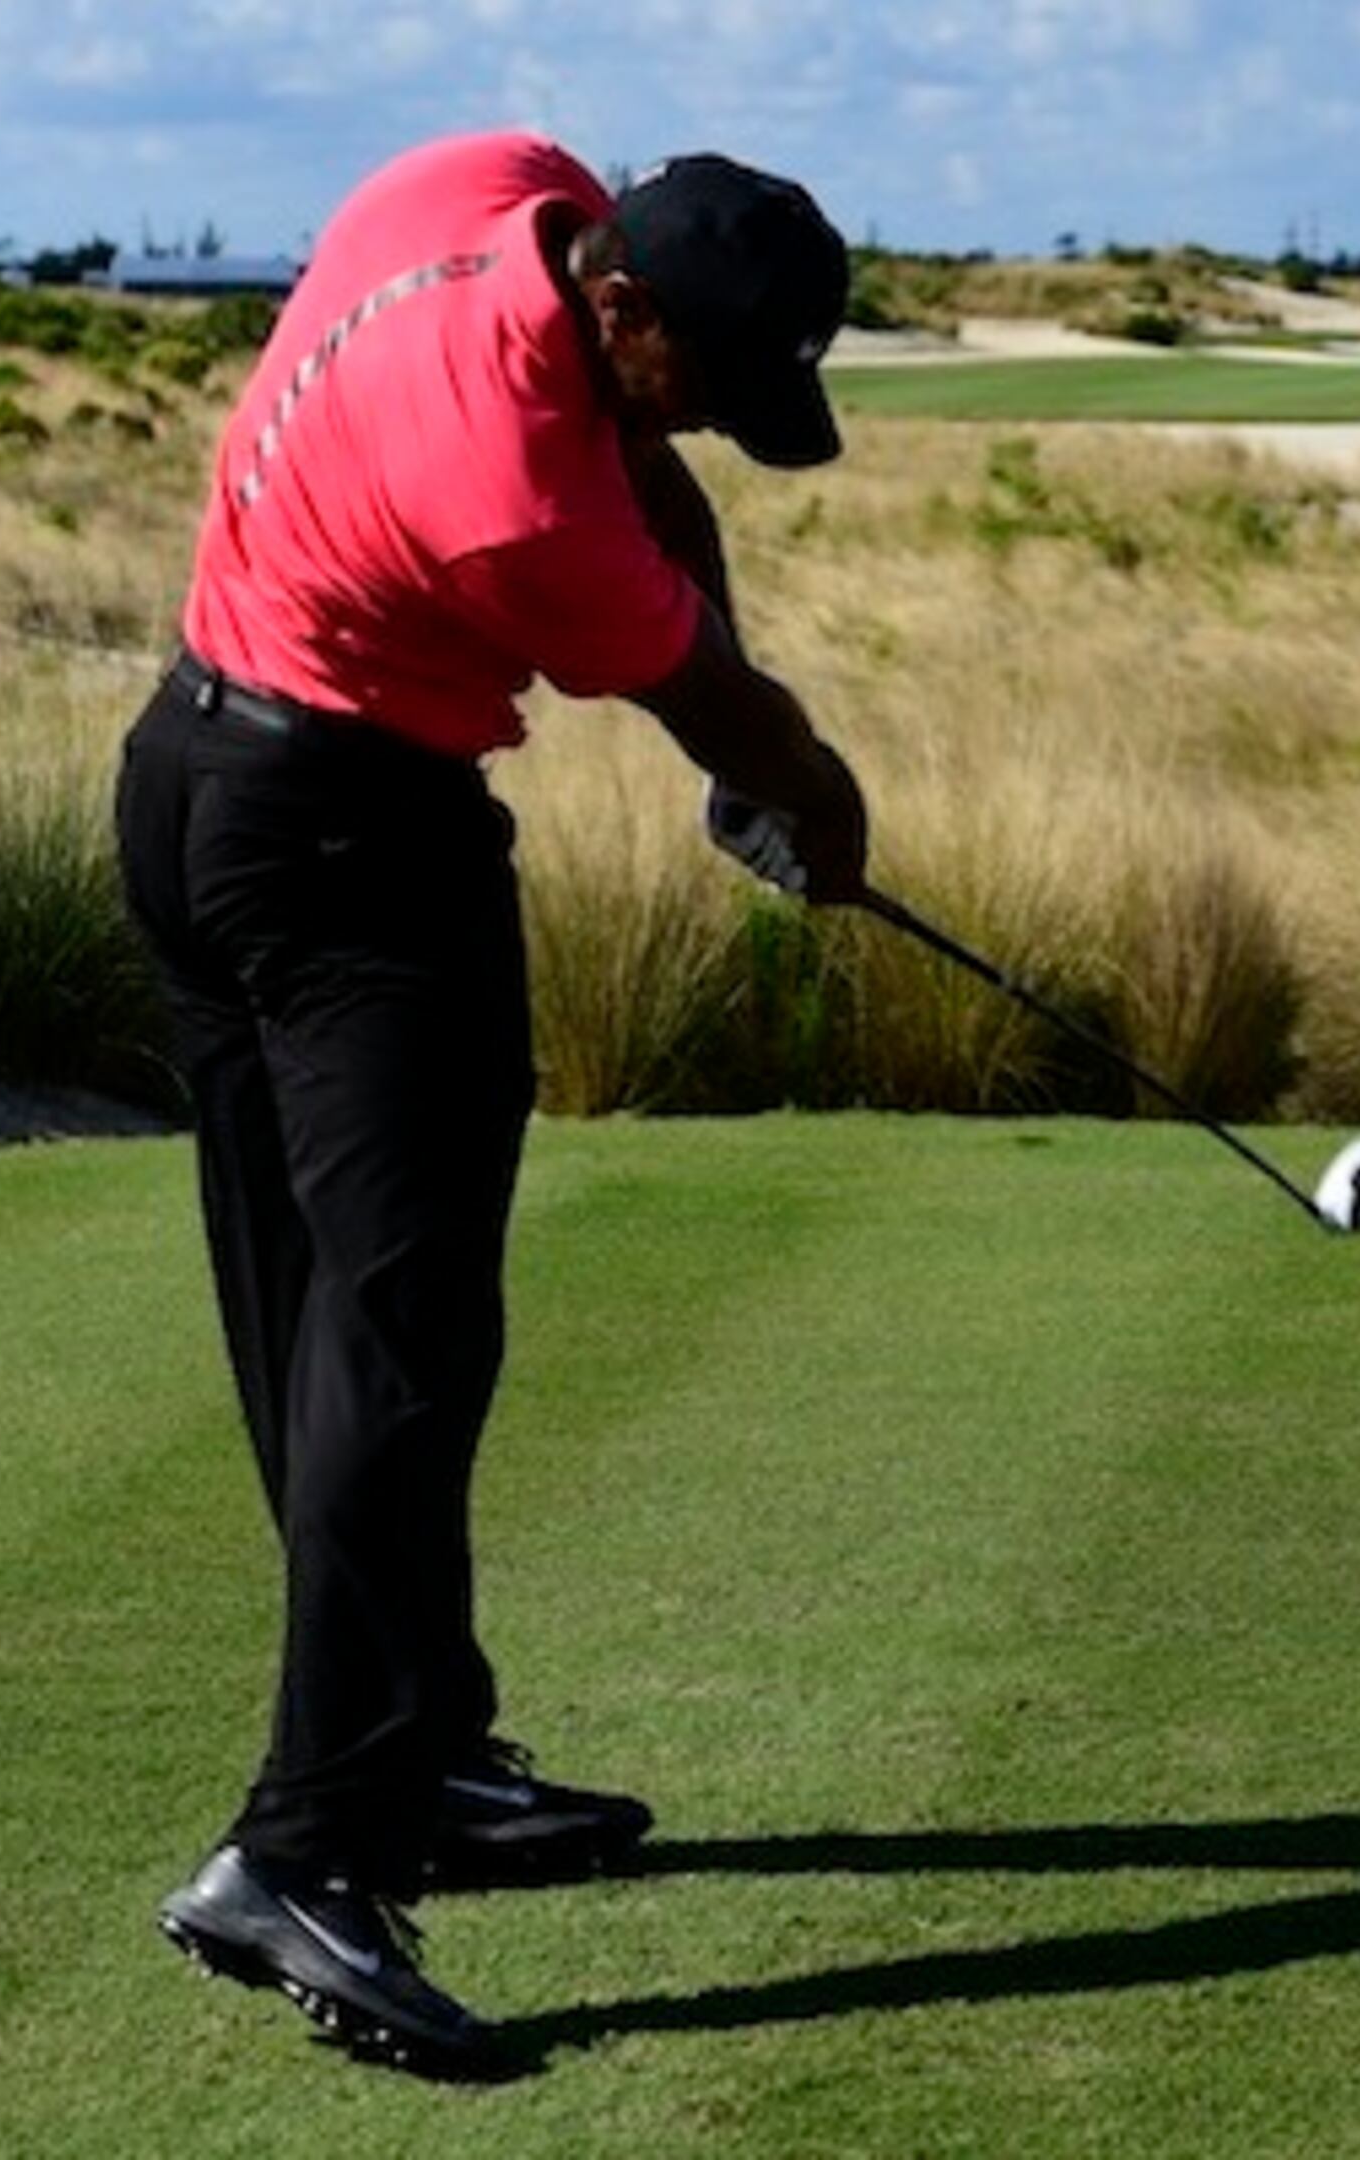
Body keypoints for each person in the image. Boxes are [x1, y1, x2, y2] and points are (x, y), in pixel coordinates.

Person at [113, 131, 870, 2076]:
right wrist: (816, 802)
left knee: (319, 1321)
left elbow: (667, 497)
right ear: (616, 306)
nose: (706, 416)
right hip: (352, 859)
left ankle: (423, 1752)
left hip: (192, 787)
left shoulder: (486, 181)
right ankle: (304, 1848)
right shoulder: (510, 493)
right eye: (698, 371)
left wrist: (731, 642)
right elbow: (715, 701)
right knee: (405, 1335)